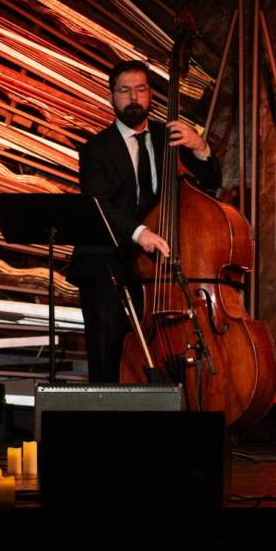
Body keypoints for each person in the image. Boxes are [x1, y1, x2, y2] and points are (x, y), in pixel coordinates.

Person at [67, 59, 221, 383]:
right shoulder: (95, 150)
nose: (133, 97)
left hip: (158, 267)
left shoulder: (171, 138)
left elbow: (210, 184)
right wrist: (140, 232)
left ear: (151, 94)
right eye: (124, 90)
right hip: (109, 263)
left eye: (140, 89)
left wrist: (200, 147)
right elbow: (98, 205)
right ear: (111, 96)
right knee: (109, 355)